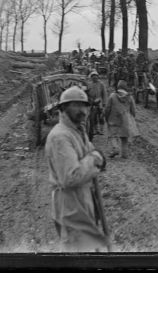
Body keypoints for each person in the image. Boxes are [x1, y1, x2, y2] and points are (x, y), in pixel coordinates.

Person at [45, 86, 108, 252]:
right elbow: (70, 177)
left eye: (85, 106)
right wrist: (94, 158)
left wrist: (94, 155)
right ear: (63, 108)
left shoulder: (77, 130)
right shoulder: (60, 136)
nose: (82, 110)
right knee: (78, 253)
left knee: (89, 248)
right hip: (70, 204)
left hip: (82, 197)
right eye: (76, 105)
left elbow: (88, 150)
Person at [104, 80, 139, 159]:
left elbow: (107, 108)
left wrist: (106, 116)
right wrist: (132, 119)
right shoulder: (129, 97)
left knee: (112, 135)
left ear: (118, 87)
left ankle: (115, 148)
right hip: (125, 120)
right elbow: (133, 110)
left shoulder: (112, 96)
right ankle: (124, 154)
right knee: (124, 138)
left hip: (113, 119)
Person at [86, 70, 107, 135]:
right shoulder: (89, 84)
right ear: (91, 78)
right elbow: (87, 93)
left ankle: (101, 130)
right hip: (92, 103)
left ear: (98, 77)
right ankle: (95, 130)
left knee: (101, 116)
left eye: (96, 77)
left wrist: (104, 103)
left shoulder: (101, 84)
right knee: (93, 117)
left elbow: (104, 94)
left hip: (99, 102)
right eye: (93, 77)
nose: (94, 78)